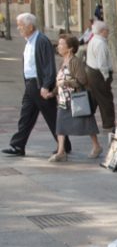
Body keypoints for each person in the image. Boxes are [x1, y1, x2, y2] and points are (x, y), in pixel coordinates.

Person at [3, 13, 70, 157]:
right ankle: (18, 145)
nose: (19, 28)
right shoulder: (30, 41)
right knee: (26, 115)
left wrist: (46, 85)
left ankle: (65, 146)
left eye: (21, 25)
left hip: (39, 84)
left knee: (51, 115)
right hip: (30, 84)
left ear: (30, 27)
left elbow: (48, 66)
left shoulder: (41, 41)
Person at [49, 34, 101, 162]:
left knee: (86, 122)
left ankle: (97, 146)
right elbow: (60, 81)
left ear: (70, 48)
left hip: (76, 99)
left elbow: (82, 80)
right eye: (59, 44)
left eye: (62, 44)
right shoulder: (63, 61)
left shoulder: (75, 62)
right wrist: (53, 93)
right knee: (60, 125)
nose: (59, 46)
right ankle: (61, 151)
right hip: (63, 99)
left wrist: (66, 83)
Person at [85, 20, 115, 137]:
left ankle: (86, 121)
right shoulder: (101, 43)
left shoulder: (94, 40)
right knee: (105, 100)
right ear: (102, 31)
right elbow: (102, 63)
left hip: (92, 72)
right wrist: (106, 77)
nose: (108, 32)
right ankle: (108, 124)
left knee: (95, 99)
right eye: (107, 30)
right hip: (99, 74)